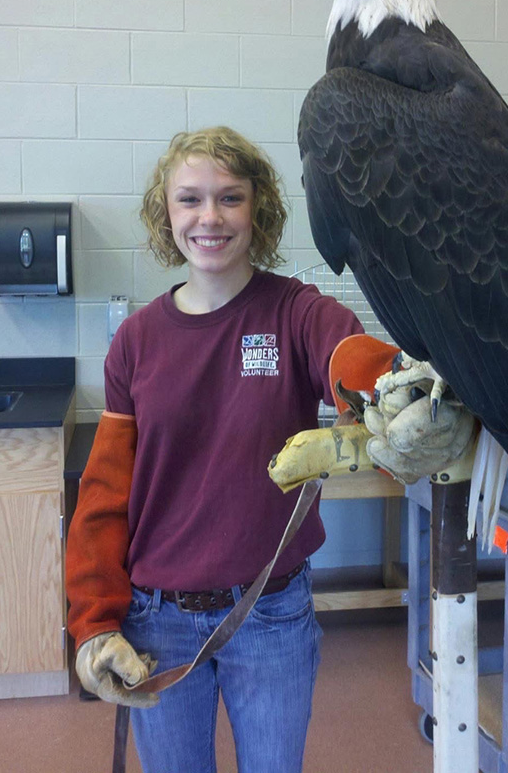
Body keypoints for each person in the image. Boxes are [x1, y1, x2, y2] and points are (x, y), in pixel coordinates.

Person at [65, 126, 364, 773]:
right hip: (157, 619)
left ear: (258, 209)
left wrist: (385, 388)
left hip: (271, 612)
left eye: (230, 198)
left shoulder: (296, 312)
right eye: (190, 199)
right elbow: (105, 497)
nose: (209, 217)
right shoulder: (137, 342)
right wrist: (93, 624)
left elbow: (348, 355)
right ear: (164, 214)